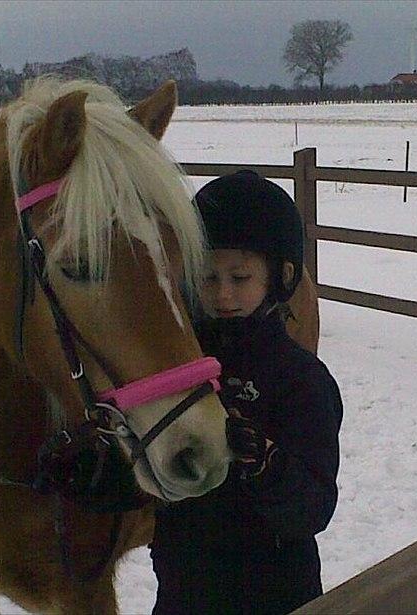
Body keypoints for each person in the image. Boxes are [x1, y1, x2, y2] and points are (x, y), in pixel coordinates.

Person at [150, 170, 343, 615]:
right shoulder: (177, 366)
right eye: (209, 276)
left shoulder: (300, 379)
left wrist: (266, 464)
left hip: (272, 595)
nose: (223, 294)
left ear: (281, 277)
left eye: (240, 277)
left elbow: (313, 509)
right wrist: (98, 473)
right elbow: (152, 475)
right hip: (183, 590)